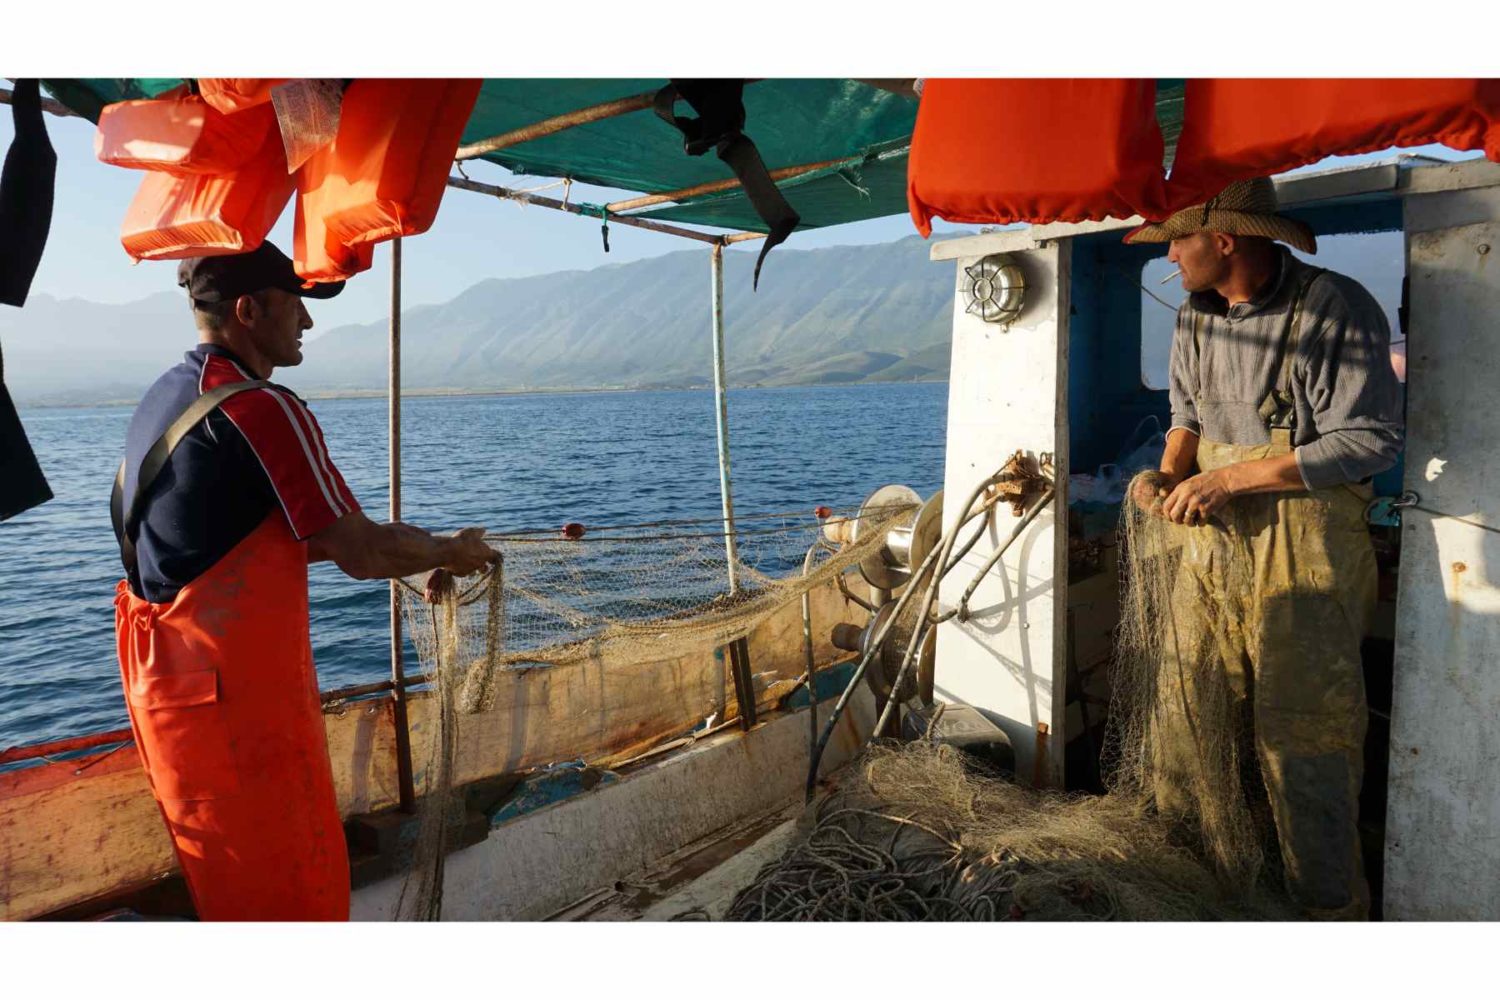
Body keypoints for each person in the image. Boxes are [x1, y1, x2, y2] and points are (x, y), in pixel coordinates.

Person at [111, 243, 495, 921]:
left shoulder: (165, 398)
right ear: (248, 310)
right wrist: (450, 551)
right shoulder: (260, 407)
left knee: (235, 902)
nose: (307, 327)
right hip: (240, 714)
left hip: (171, 705)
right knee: (296, 901)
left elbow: (231, 546)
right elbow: (361, 548)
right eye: (295, 308)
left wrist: (422, 556)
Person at [1123, 177, 1404, 919]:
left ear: (1225, 240)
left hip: (1303, 542)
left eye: (1179, 240)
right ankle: (1194, 880)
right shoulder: (1193, 315)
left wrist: (1235, 481)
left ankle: (1327, 913)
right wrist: (1167, 474)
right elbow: (1184, 415)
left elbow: (1369, 440)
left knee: (1304, 737)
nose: (1171, 256)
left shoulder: (1332, 307)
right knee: (1189, 708)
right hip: (1211, 546)